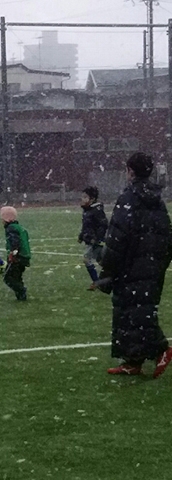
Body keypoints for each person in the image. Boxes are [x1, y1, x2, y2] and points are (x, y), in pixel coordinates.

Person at [97, 152, 172, 378]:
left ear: (130, 171)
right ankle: (133, 361)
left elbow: (117, 238)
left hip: (130, 265)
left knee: (132, 313)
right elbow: (166, 234)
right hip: (152, 265)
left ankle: (161, 349)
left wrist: (107, 270)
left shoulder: (129, 198)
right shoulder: (157, 199)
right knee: (138, 310)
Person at [78, 186, 108, 291]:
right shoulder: (87, 210)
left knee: (86, 259)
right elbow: (86, 226)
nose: (82, 199)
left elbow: (103, 225)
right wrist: (81, 236)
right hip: (89, 239)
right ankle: (112, 278)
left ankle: (97, 282)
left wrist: (97, 238)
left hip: (94, 240)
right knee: (102, 262)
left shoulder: (96, 211)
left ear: (92, 199)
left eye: (85, 197)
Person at [0, 206, 31, 301]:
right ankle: (21, 296)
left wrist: (13, 254)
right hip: (24, 256)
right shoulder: (19, 227)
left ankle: (21, 291)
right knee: (17, 276)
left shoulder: (11, 228)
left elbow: (15, 242)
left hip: (18, 257)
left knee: (8, 278)